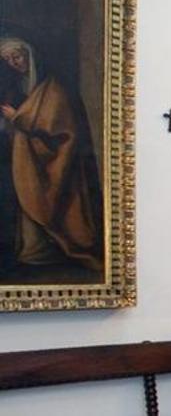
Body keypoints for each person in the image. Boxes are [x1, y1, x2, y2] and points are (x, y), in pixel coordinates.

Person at [0, 37, 103, 273]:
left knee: (46, 200)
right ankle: (34, 251)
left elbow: (62, 130)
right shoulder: (19, 87)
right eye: (8, 60)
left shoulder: (52, 87)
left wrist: (18, 117)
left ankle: (55, 248)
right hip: (27, 162)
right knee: (26, 199)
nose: (14, 63)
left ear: (30, 54)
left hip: (56, 160)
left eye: (17, 56)